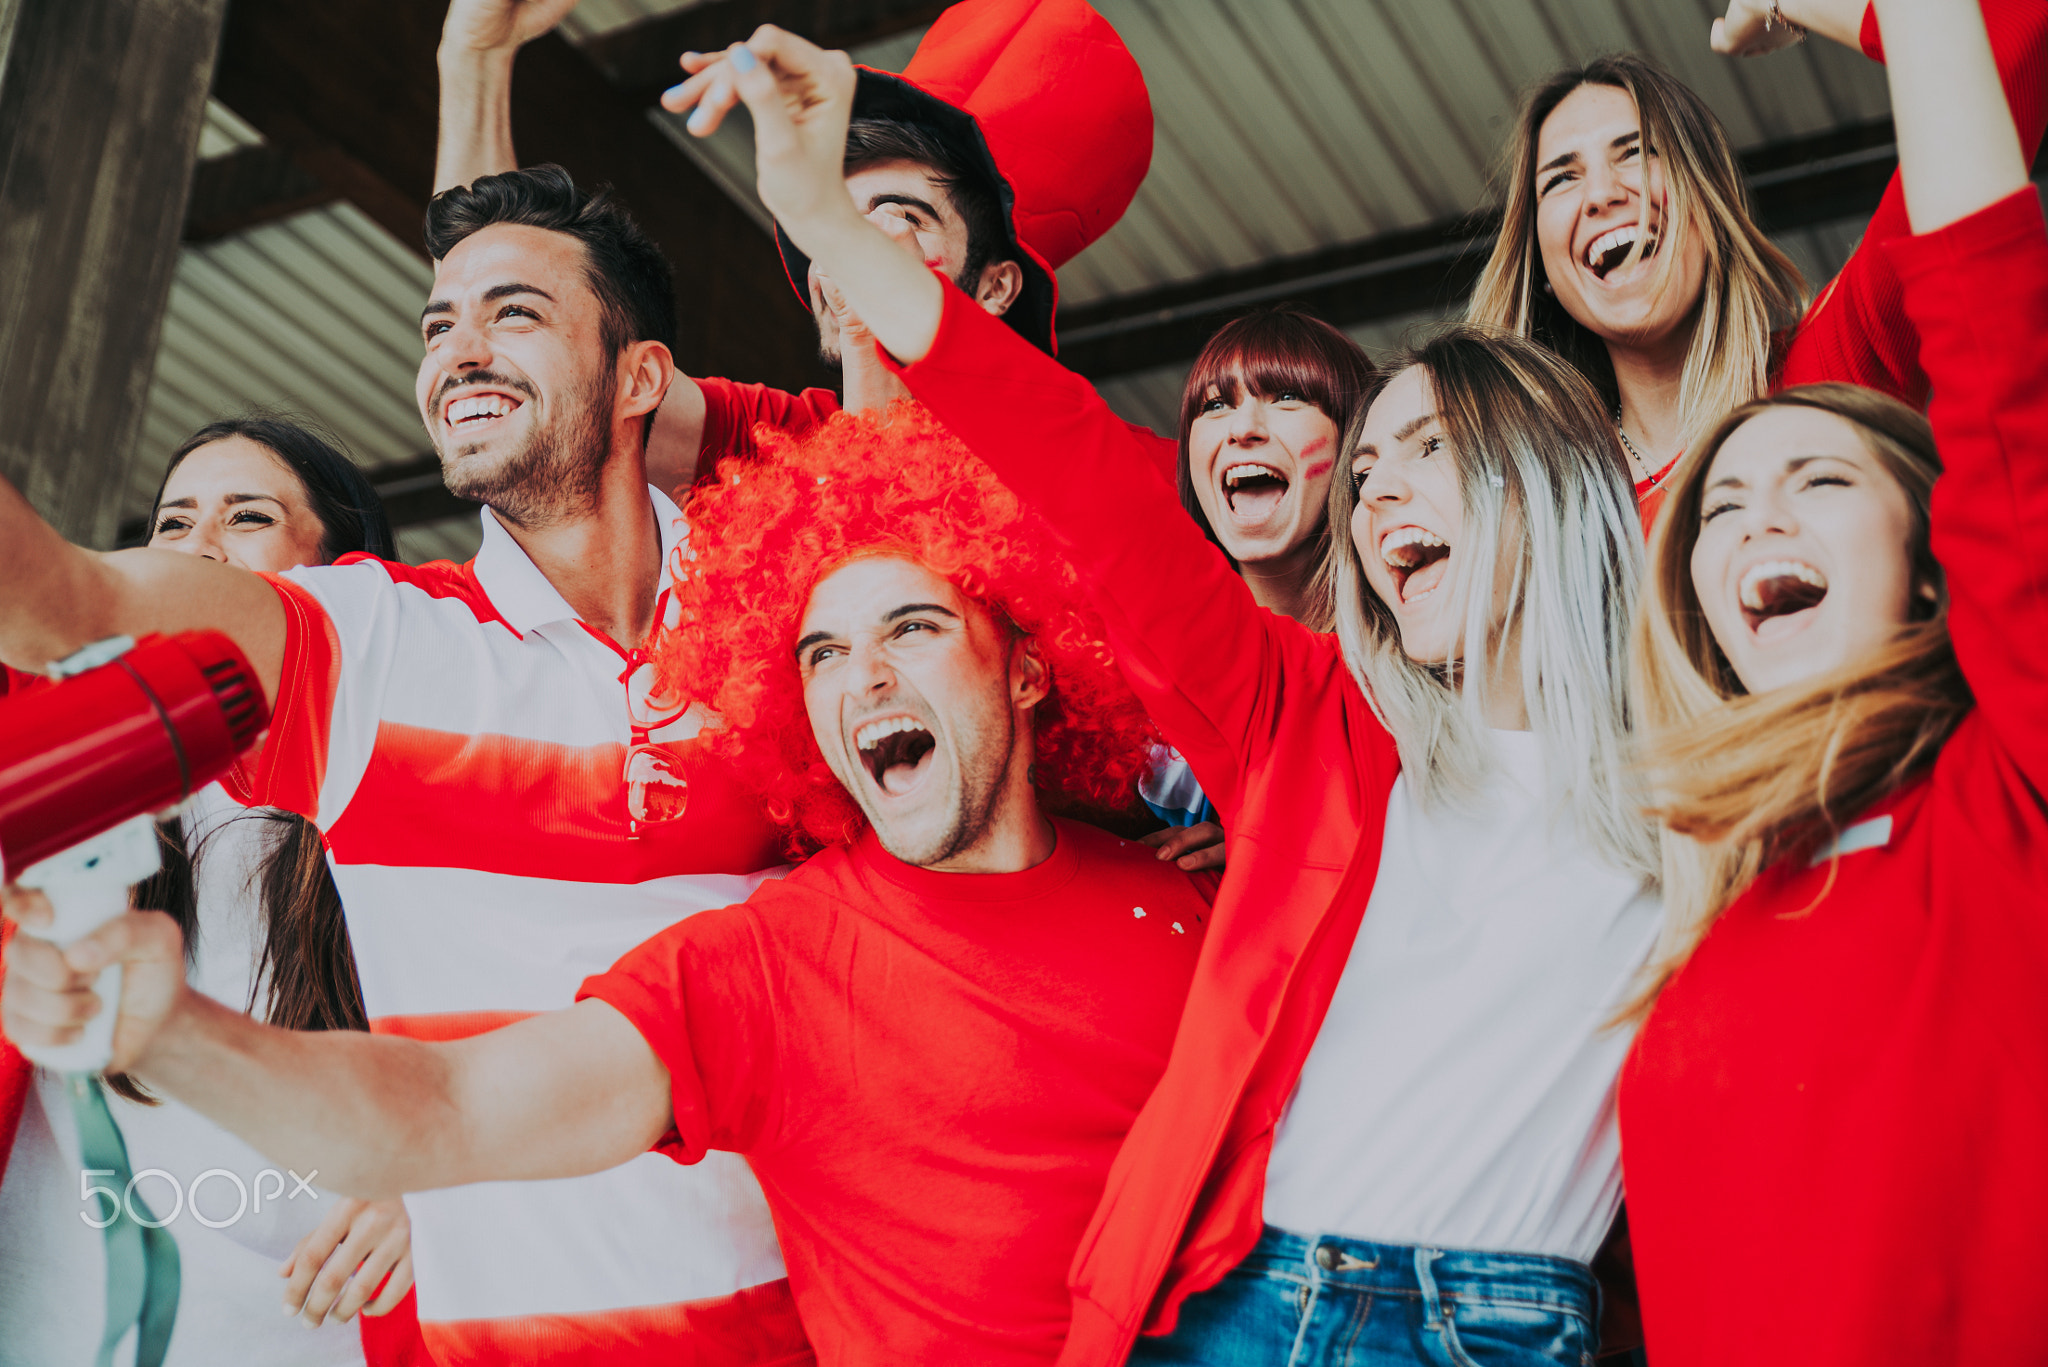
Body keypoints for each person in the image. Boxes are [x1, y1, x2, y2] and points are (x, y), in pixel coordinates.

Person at [684, 30, 1675, 1365]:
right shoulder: (1311, 712)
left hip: (1507, 1316)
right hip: (1240, 1300)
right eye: (1369, 467)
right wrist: (819, 215)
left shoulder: (1701, 747)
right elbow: (1073, 462)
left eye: (1430, 450)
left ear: (1551, 481)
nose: (1382, 490)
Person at [1, 407, 1220, 1367]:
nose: (863, 678)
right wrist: (167, 1027)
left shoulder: (1192, 909)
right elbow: (448, 1104)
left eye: (910, 627)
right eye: (821, 651)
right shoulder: (770, 954)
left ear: (1028, 668)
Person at [0, 169, 806, 1364]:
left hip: (808, 1330)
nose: (459, 351)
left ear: (641, 378)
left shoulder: (803, 627)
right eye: (439, 325)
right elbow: (71, 601)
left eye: (513, 313)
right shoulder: (371, 643)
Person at [1615, 0, 2048, 1359]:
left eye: (1818, 479)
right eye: (1724, 503)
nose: (1756, 519)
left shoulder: (2007, 793)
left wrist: (1890, 7)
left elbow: (1988, 328)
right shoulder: (1713, 907)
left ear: (1934, 559)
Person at [0, 417, 411, 1367]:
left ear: (343, 581)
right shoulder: (57, 757)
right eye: (172, 523)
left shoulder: (417, 809)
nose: (197, 551)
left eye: (247, 517)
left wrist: (455, 1195)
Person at [435, 0, 1159, 495]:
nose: (848, 246)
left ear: (998, 287)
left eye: (902, 216)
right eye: (835, 216)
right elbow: (529, 363)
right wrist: (475, 61)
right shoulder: (773, 444)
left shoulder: (1129, 473)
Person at [1467, 0, 2048, 521]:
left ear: (1711, 205)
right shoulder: (1542, 510)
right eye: (1562, 178)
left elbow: (2016, 32)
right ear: (1541, 269)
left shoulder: (1834, 362)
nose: (1602, 194)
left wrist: (1786, 1)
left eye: (1639, 151)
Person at [1139, 311, 1374, 859]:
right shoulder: (1136, 659)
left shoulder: (1419, 656)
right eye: (1215, 405)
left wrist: (1278, 842)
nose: (1243, 428)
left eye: (1287, 397)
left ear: (1359, 446)